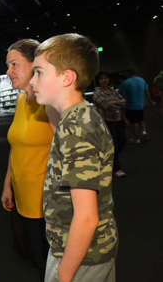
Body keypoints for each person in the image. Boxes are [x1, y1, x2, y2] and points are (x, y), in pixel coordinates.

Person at [30, 33, 118, 282]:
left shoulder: (77, 126)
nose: (32, 80)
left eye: (39, 72)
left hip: (80, 256)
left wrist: (65, 274)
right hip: (84, 250)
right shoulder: (77, 117)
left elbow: (87, 216)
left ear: (67, 78)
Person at [1, 38, 59, 281]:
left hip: (48, 204)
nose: (8, 71)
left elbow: (67, 152)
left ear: (35, 64)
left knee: (52, 265)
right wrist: (7, 185)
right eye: (8, 65)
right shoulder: (20, 101)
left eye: (14, 64)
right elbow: (16, 146)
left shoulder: (48, 104)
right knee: (38, 262)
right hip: (24, 200)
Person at [93, 72, 127, 178]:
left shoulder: (112, 90)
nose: (104, 80)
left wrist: (114, 102)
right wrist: (116, 102)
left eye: (106, 78)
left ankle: (108, 160)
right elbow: (106, 105)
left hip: (118, 119)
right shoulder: (97, 93)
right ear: (98, 81)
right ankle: (116, 168)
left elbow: (124, 101)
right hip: (107, 121)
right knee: (114, 144)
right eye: (101, 79)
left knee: (123, 141)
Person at [118, 69, 153, 143]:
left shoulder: (125, 83)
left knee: (134, 122)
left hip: (130, 105)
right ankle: (144, 133)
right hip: (141, 105)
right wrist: (150, 101)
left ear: (127, 73)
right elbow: (147, 92)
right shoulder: (142, 80)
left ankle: (136, 138)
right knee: (141, 120)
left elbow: (120, 95)